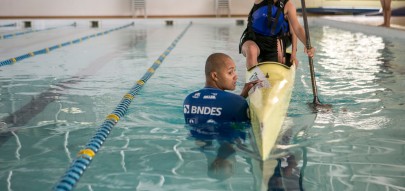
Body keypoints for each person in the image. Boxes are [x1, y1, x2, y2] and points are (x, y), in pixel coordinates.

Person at [183, 52, 259, 180]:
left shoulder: (189, 100)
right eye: (230, 72)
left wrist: (240, 97)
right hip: (227, 139)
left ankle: (214, 156)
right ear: (214, 76)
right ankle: (222, 156)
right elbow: (248, 130)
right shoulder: (237, 103)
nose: (236, 76)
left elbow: (215, 108)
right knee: (232, 141)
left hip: (200, 138)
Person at [239, 0, 315, 70]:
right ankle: (255, 80)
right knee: (251, 49)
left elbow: (297, 28)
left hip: (271, 44)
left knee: (276, 67)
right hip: (252, 39)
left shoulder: (288, 6)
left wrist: (307, 44)